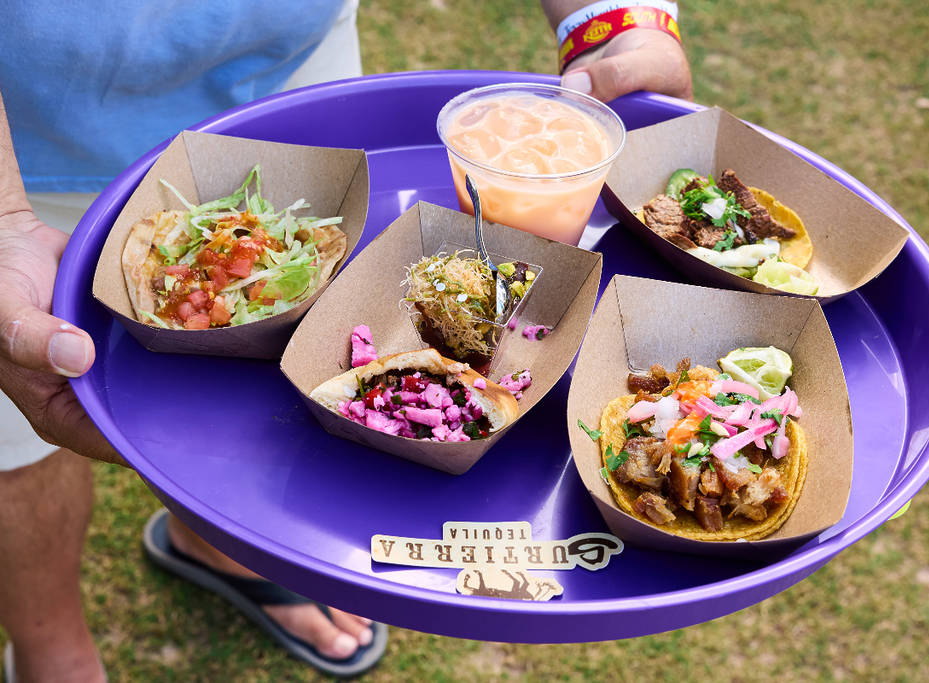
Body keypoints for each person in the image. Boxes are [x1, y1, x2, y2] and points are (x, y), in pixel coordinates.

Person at [0, 1, 691, 679]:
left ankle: (214, 544)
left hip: (293, 74)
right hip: (33, 140)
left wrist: (609, 20)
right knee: (15, 442)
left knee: (246, 400)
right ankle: (48, 643)